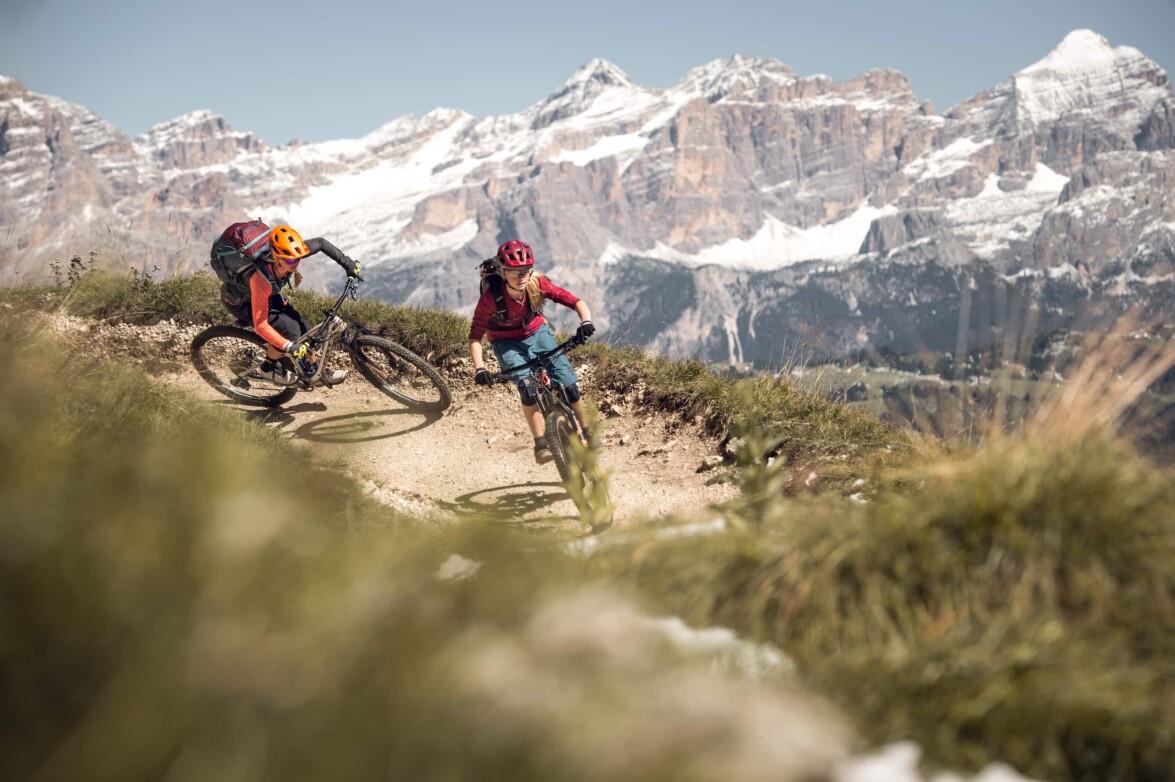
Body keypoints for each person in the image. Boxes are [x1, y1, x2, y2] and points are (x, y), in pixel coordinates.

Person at [469, 239, 601, 464]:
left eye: (525, 271)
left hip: (536, 331)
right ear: (503, 272)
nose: (521, 278)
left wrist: (585, 322)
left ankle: (586, 430)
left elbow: (575, 301)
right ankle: (540, 442)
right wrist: (480, 368)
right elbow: (475, 337)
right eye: (514, 273)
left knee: (569, 384)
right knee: (527, 387)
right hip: (504, 341)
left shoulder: (536, 284)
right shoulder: (490, 299)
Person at [238, 225, 362, 386]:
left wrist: (347, 263)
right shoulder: (260, 279)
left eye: (298, 259)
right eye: (290, 260)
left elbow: (321, 243)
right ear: (276, 257)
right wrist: (289, 346)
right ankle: (267, 369)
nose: (295, 263)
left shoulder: (291, 253)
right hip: (245, 303)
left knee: (306, 330)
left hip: (271, 296)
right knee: (290, 333)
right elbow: (260, 325)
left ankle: (316, 372)